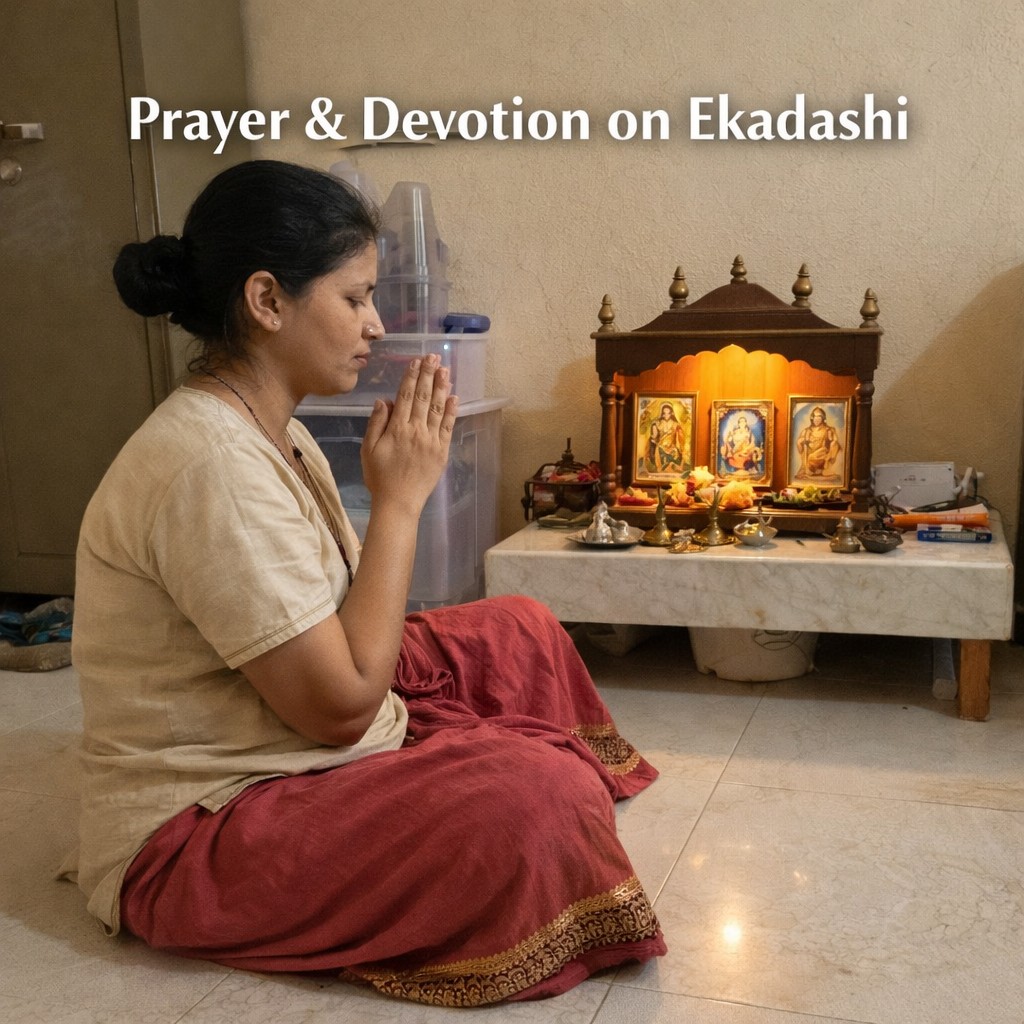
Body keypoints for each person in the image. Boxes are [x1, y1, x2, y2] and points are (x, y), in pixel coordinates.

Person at [58, 160, 665, 1007]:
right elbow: (342, 707)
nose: (377, 325)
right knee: (540, 794)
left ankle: (507, 797)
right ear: (267, 300)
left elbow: (344, 625)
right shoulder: (206, 464)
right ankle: (529, 816)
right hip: (210, 821)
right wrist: (401, 504)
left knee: (517, 624)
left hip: (293, 725)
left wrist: (395, 499)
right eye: (354, 298)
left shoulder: (273, 428)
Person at [796, 405, 841, 479]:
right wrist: (801, 441)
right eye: (815, 416)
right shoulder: (807, 430)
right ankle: (810, 468)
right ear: (812, 418)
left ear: (823, 418)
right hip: (809, 456)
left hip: (823, 454)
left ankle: (825, 467)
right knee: (810, 458)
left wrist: (833, 443)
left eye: (819, 416)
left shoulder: (829, 430)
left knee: (812, 457)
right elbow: (800, 444)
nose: (816, 419)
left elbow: (835, 442)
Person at [645, 402, 689, 474]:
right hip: (661, 445)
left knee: (674, 453)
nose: (666, 415)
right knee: (659, 450)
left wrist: (679, 445)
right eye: (664, 413)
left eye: (668, 413)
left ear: (671, 413)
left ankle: (672, 468)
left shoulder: (675, 424)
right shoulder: (658, 423)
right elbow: (655, 436)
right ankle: (662, 469)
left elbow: (680, 437)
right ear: (662, 413)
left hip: (672, 446)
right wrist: (653, 439)